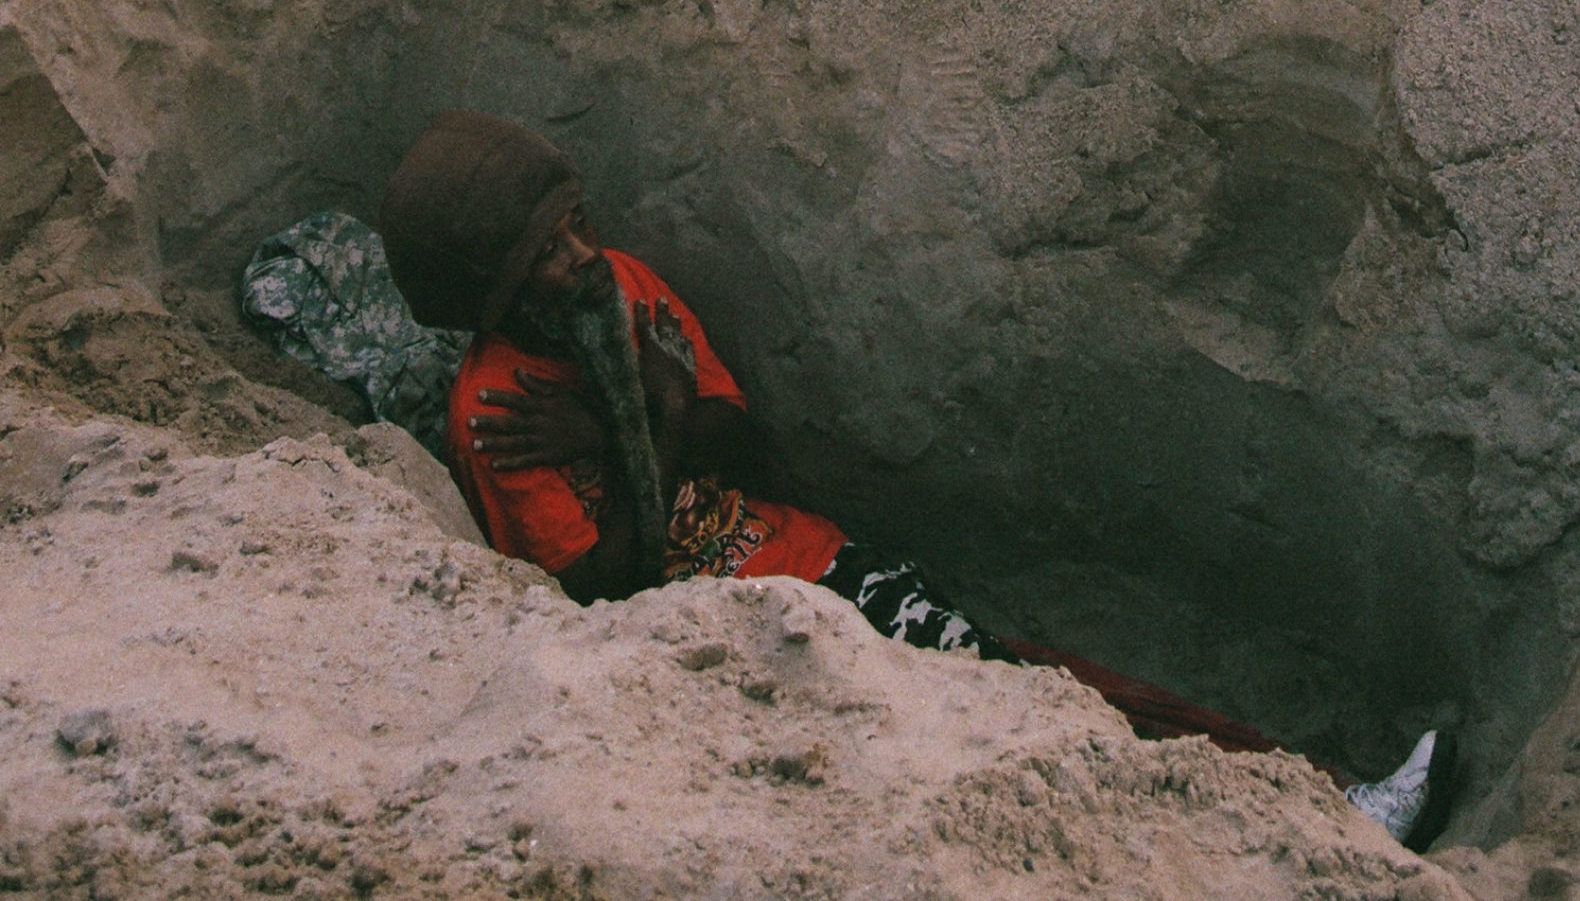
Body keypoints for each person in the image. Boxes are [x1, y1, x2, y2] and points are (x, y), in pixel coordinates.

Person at [375, 113, 1459, 855]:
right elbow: (606, 592)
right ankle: (1287, 835)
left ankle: (1319, 804)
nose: (579, 255)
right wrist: (640, 426)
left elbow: (742, 443)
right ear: (489, 292)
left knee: (1032, 686)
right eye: (545, 254)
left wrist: (644, 416)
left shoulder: (626, 293)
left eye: (575, 225)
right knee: (1016, 763)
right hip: (722, 653)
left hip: (818, 564)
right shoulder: (498, 410)